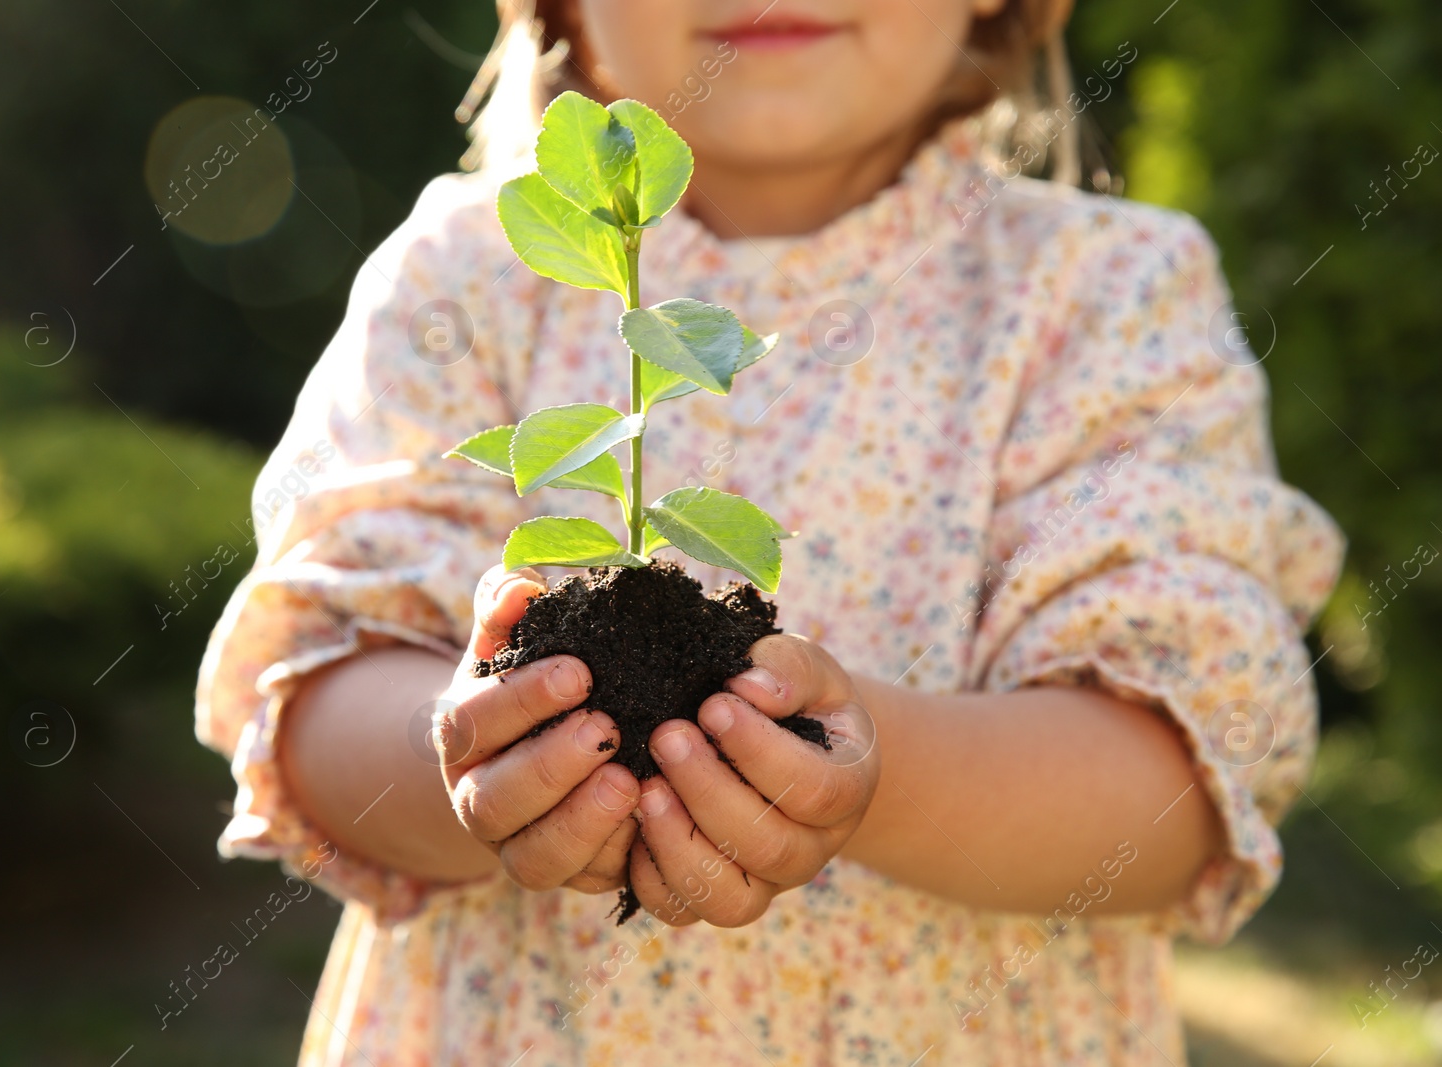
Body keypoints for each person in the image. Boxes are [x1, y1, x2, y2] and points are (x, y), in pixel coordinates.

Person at [195, 0, 1345, 1062]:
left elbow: (1176, 787)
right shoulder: (464, 278)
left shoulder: (1106, 295)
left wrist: (870, 773)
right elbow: (317, 686)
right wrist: (480, 755)